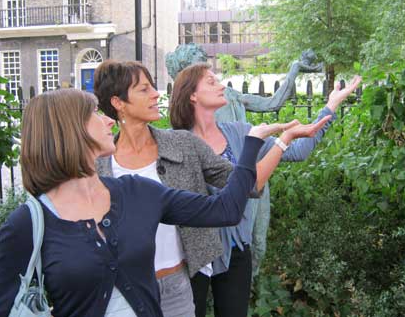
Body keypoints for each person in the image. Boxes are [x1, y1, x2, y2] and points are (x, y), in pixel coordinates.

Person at [0, 88, 295, 317]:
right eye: (93, 113)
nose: (106, 121)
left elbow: (227, 210)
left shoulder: (137, 192)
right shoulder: (28, 224)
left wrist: (253, 142)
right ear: (67, 131)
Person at [92, 60, 328, 317]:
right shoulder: (100, 163)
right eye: (144, 89)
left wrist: (276, 142)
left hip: (184, 278)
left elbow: (244, 186)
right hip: (126, 287)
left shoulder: (182, 143)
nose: (156, 94)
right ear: (118, 102)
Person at [169, 62, 362, 317]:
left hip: (237, 249)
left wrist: (331, 106)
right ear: (192, 94)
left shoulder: (241, 133)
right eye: (211, 81)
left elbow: (297, 150)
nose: (222, 86)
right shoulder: (174, 142)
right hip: (191, 253)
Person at [166, 43, 325, 275]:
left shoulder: (230, 98)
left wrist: (295, 69)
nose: (215, 80)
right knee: (223, 253)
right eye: (199, 70)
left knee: (256, 244)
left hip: (253, 177)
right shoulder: (183, 137)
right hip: (224, 198)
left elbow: (273, 103)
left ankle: (246, 291)